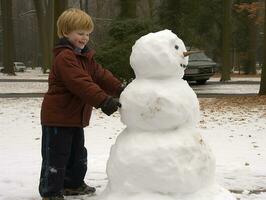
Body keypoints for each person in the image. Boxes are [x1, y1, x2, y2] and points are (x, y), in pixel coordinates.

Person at [39, 8, 124, 200]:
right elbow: (80, 83)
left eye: (87, 34)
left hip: (74, 118)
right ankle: (50, 192)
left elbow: (101, 75)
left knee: (77, 154)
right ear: (65, 32)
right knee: (57, 156)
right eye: (80, 33)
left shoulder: (85, 57)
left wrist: (120, 89)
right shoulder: (65, 58)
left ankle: (73, 184)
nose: (84, 38)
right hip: (58, 118)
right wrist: (104, 100)